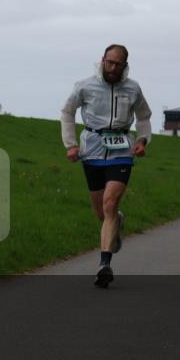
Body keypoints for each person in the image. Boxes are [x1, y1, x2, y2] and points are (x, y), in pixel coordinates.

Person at [60, 44, 152, 288]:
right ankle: (116, 222)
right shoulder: (84, 85)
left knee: (110, 203)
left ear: (125, 66)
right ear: (102, 60)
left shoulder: (133, 88)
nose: (112, 68)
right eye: (109, 62)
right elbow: (67, 112)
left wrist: (142, 140)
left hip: (122, 149)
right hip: (92, 149)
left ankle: (104, 264)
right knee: (102, 212)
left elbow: (144, 116)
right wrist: (70, 144)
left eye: (117, 64)